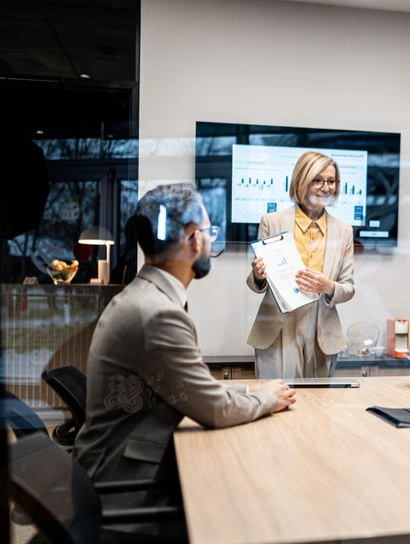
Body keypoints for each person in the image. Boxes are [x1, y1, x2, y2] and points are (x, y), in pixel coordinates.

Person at [74, 184, 296, 514]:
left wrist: (249, 387)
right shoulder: (158, 314)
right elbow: (215, 409)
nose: (211, 241)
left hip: (117, 467)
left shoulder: (145, 296)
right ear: (194, 239)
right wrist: (269, 399)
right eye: (210, 232)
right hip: (126, 491)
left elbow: (191, 388)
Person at [246, 151, 355, 379]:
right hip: (278, 327)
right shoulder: (272, 222)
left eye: (331, 181)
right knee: (277, 405)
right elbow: (258, 283)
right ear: (301, 181)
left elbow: (348, 288)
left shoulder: (343, 231)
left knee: (319, 409)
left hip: (322, 330)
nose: (326, 188)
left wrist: (328, 286)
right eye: (317, 180)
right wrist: (258, 275)